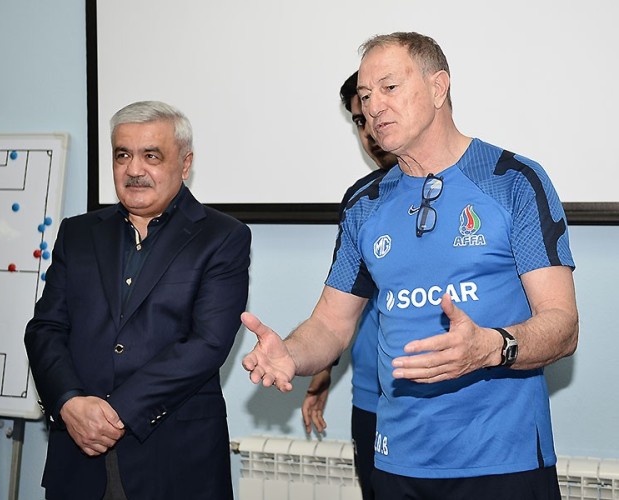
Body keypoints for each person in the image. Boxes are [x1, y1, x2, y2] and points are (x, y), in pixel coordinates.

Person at [242, 32, 578, 500]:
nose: (373, 107)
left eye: (389, 88)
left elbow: (563, 325)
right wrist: (292, 355)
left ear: (438, 88)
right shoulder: (365, 203)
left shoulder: (513, 182)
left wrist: (490, 347)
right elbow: (330, 325)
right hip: (398, 462)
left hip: (505, 459)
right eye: (365, 96)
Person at [24, 100, 251, 500]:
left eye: (151, 156)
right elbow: (46, 329)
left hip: (176, 461)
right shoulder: (78, 233)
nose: (133, 169)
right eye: (122, 155)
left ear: (185, 163)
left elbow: (208, 343)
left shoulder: (222, 238)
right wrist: (68, 402)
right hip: (78, 455)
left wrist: (116, 412)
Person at [301, 70, 397, 500]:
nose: (371, 130)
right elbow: (344, 301)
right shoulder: (361, 199)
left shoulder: (472, 186)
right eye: (360, 120)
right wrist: (322, 371)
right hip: (372, 400)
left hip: (444, 402)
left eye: (377, 114)